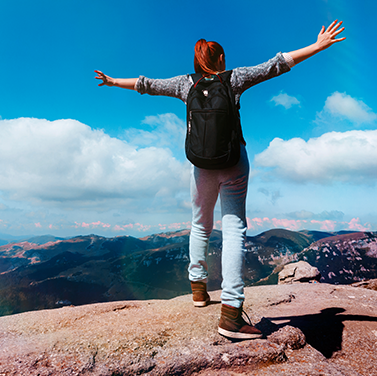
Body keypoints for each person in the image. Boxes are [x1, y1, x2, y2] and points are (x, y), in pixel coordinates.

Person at [94, 20, 345, 339]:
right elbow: (276, 64)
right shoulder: (235, 78)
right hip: (233, 162)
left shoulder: (185, 84)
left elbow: (147, 84)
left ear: (198, 62)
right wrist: (317, 46)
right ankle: (231, 314)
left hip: (200, 165)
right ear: (221, 59)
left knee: (200, 224)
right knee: (234, 230)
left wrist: (114, 81)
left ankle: (198, 291)